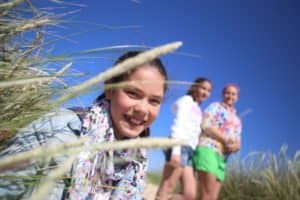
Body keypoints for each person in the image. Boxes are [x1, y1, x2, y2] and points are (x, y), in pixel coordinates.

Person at [0, 51, 168, 200]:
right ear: (110, 89)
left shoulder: (137, 164)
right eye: (132, 93)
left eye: (154, 101)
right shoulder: (54, 127)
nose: (142, 109)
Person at [156, 78, 213, 200]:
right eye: (203, 88)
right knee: (167, 186)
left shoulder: (197, 108)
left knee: (189, 195)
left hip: (190, 151)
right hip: (179, 146)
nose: (205, 92)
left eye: (208, 90)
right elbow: (179, 124)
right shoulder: (186, 101)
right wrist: (176, 151)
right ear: (195, 87)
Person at [193, 84, 242, 200]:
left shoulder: (237, 120)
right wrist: (225, 140)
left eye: (233, 94)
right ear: (223, 95)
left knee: (212, 197)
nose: (230, 96)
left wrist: (234, 147)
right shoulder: (215, 107)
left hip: (222, 158)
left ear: (237, 97)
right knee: (206, 194)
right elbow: (206, 125)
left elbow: (238, 141)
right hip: (208, 149)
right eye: (227, 93)